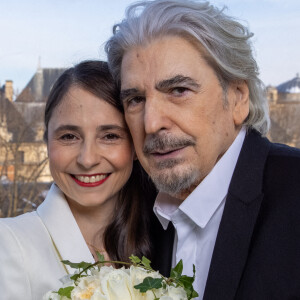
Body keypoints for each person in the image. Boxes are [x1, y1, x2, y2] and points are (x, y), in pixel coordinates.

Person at [105, 1, 300, 299]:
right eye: (135, 100)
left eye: (178, 90)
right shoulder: (131, 212)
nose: (152, 122)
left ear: (237, 98)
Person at [0, 60, 156, 300]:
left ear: (135, 146)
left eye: (110, 136)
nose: (87, 159)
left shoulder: (164, 241)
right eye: (69, 136)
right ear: (47, 141)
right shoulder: (9, 245)